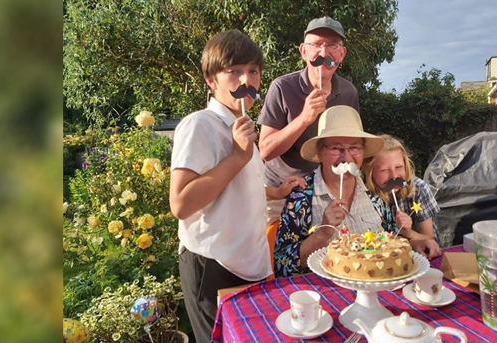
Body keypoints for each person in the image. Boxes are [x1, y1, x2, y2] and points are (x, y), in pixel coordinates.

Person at [168, 30, 272, 343]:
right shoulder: (200, 124)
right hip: (212, 264)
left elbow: (236, 191)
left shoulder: (243, 129)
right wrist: (238, 156)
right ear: (212, 80)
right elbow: (181, 203)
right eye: (234, 72)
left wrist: (275, 192)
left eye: (252, 71)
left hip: (248, 265)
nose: (246, 80)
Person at [273, 105, 400, 277]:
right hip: (324, 296)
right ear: (320, 152)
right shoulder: (300, 198)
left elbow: (391, 243)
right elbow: (282, 264)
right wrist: (322, 233)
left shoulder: (374, 192)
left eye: (354, 148)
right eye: (336, 148)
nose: (346, 158)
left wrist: (413, 241)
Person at [258, 16, 359, 229]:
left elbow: (351, 145)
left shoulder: (349, 92)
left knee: (324, 253)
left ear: (342, 53)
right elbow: (265, 151)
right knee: (275, 254)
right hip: (279, 191)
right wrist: (304, 118)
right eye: (316, 45)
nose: (324, 54)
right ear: (303, 51)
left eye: (332, 45)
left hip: (323, 192)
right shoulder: (282, 88)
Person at [362, 134, 443, 260]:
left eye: (399, 167)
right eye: (384, 170)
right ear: (371, 172)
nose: (394, 176)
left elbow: (431, 239)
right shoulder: (364, 196)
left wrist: (408, 232)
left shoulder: (419, 189)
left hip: (421, 258)